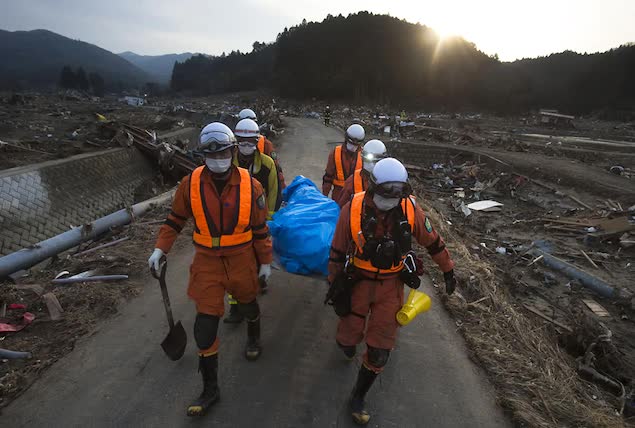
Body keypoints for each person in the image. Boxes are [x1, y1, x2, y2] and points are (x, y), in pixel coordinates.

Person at [147, 122, 272, 417]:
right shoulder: (189, 184)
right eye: (211, 154)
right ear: (203, 154)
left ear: (231, 151)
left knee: (249, 303)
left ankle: (253, 336)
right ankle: (210, 388)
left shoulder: (250, 185)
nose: (219, 158)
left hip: (242, 259)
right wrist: (159, 249)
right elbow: (174, 220)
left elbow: (260, 229)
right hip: (207, 262)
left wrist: (265, 262)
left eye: (224, 152)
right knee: (204, 327)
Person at [327, 158, 457, 425]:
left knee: (379, 350)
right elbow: (337, 252)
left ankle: (358, 396)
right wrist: (334, 285)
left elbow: (433, 241)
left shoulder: (410, 209)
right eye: (388, 192)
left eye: (398, 193)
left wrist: (448, 269)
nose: (392, 199)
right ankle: (347, 343)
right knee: (348, 338)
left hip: (391, 286)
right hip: (358, 282)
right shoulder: (352, 209)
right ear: (374, 187)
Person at [224, 118, 280, 324]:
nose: (246, 145)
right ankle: (235, 309)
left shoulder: (267, 164)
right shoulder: (228, 163)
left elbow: (274, 191)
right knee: (232, 267)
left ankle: (253, 295)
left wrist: (270, 219)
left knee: (255, 261)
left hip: (259, 220)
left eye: (251, 141)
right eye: (242, 141)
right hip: (234, 224)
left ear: (258, 141)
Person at [239, 107, 285, 188]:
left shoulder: (266, 144)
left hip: (261, 186)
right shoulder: (231, 143)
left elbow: (276, 169)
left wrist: (282, 190)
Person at [337, 139, 387, 207]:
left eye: (376, 162)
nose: (371, 165)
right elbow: (341, 208)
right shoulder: (352, 181)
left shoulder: (390, 183)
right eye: (368, 161)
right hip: (356, 216)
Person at [322, 124, 365, 201]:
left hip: (356, 198)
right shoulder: (335, 153)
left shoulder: (364, 156)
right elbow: (328, 178)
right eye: (351, 143)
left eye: (355, 145)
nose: (352, 147)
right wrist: (324, 198)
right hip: (338, 196)